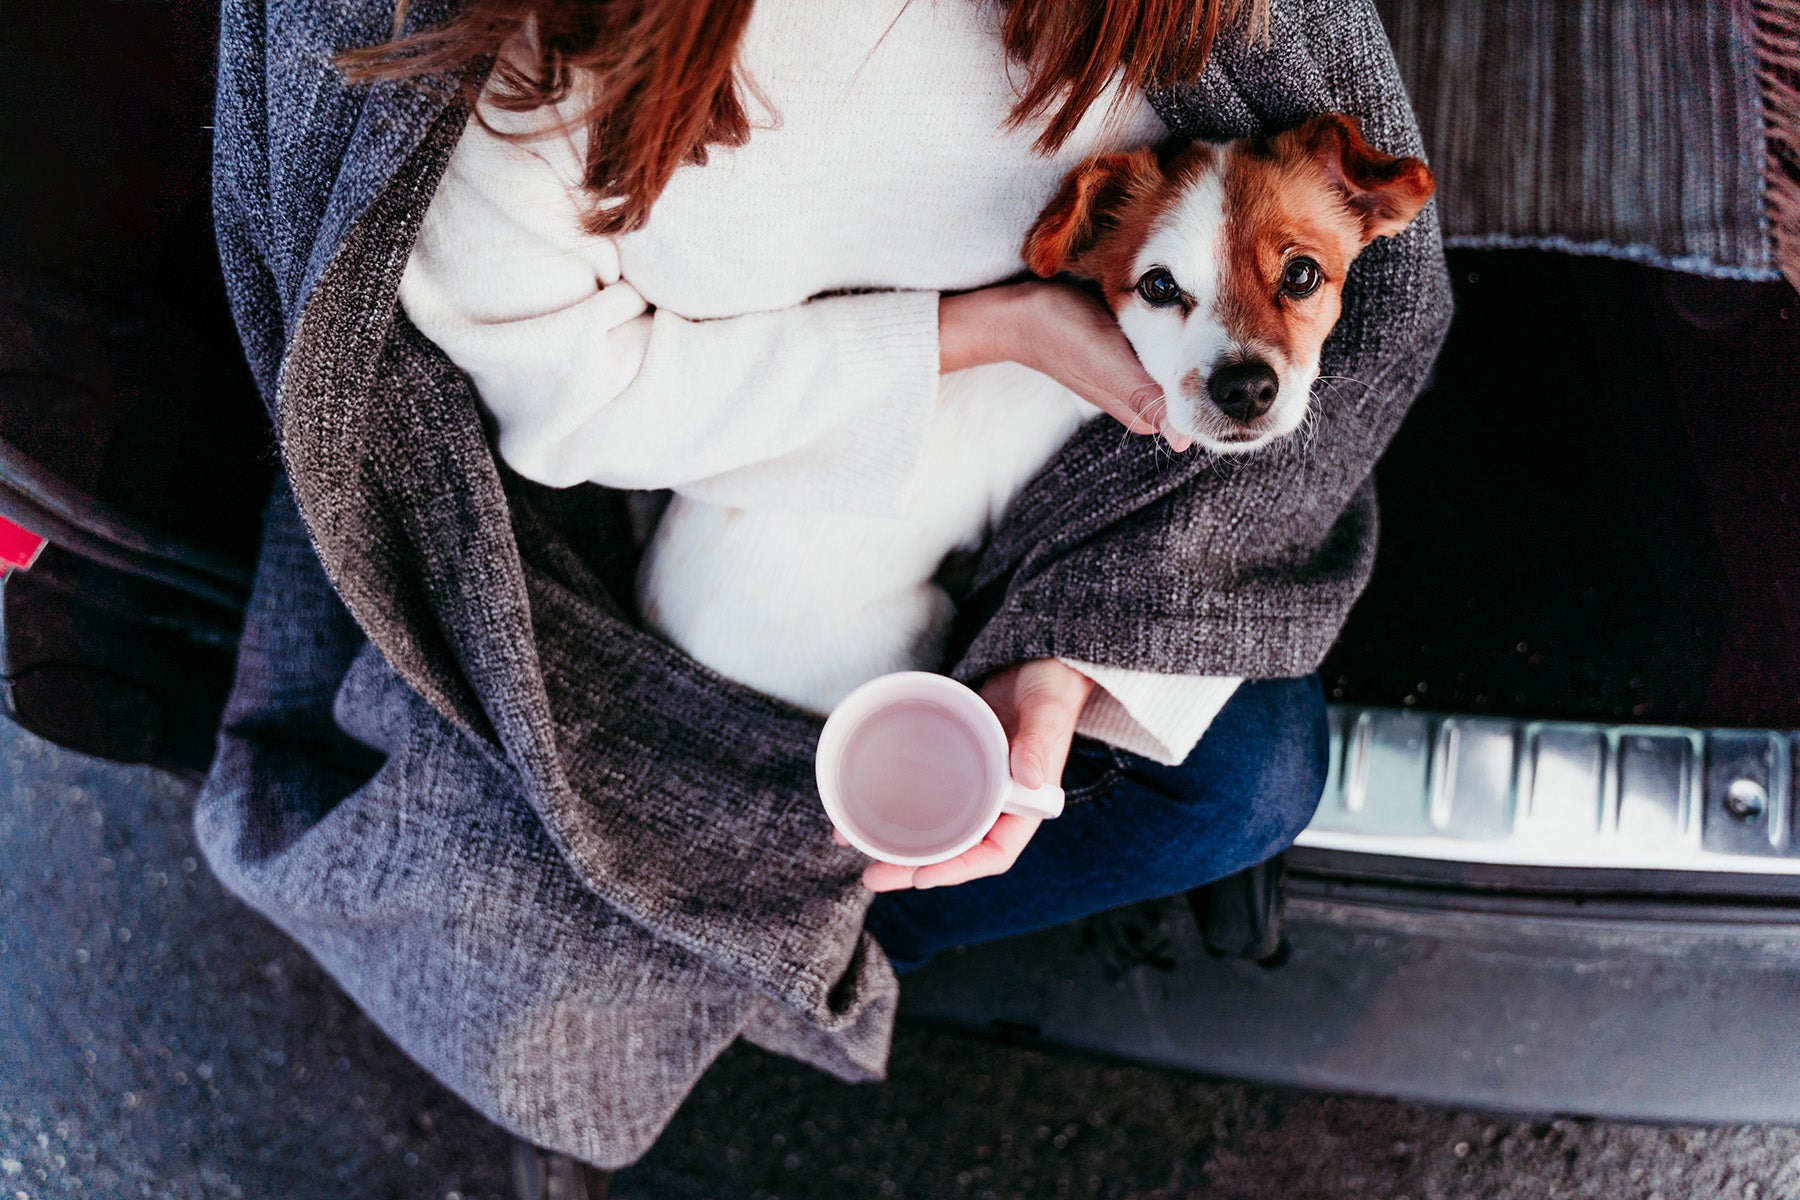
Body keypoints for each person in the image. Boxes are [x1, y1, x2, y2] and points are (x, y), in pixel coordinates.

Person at [201, 0, 1451, 1169]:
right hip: (707, 468)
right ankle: (772, 955)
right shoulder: (493, 67)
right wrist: (994, 328)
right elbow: (565, 393)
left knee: (1249, 781)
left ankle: (788, 942)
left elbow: (1368, 282)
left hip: (1014, 476)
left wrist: (1070, 650)